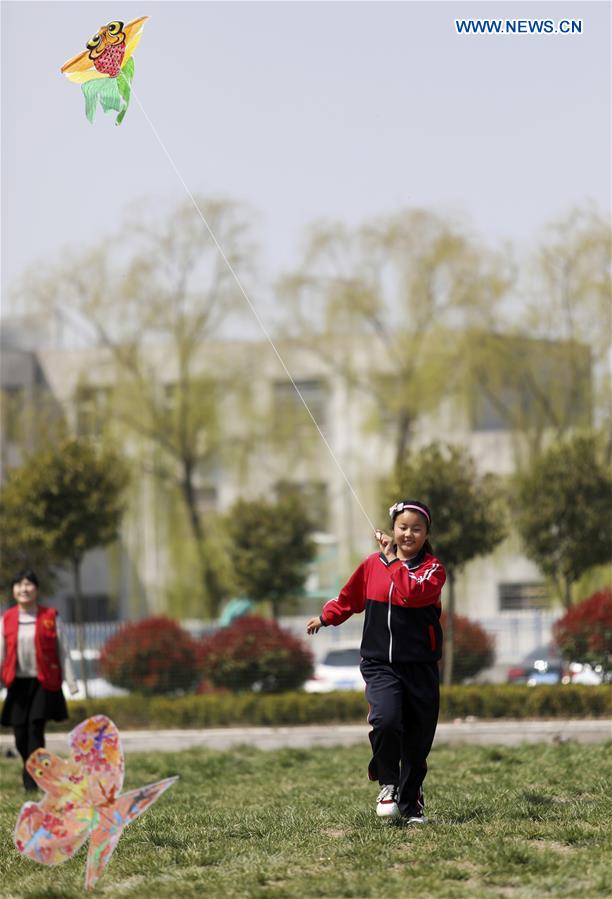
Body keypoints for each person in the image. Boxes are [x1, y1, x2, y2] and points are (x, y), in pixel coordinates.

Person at [306, 500, 445, 823]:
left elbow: (411, 593)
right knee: (385, 720)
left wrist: (393, 560)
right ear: (393, 529)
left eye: (416, 529)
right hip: (379, 664)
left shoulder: (433, 570)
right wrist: (326, 618)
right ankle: (388, 785)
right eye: (403, 527)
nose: (408, 534)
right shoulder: (373, 565)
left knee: (417, 740)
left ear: (426, 534)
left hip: (420, 667)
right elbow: (349, 598)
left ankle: (411, 802)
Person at [0, 570, 77, 791]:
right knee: (20, 735)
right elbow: (1, 653)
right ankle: (36, 771)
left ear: (37, 589)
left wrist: (71, 682)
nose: (23, 589)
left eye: (28, 584)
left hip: (43, 681)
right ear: (14, 590)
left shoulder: (51, 617)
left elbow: (63, 651)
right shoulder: (7, 619)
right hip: (17, 683)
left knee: (35, 729)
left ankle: (32, 783)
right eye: (18, 585)